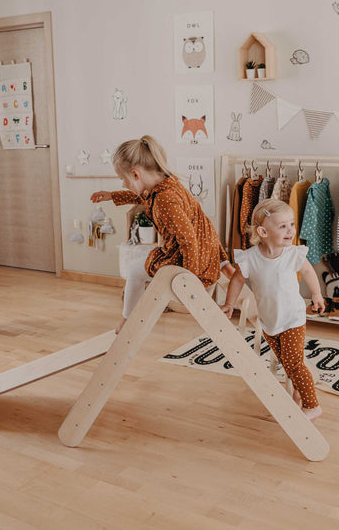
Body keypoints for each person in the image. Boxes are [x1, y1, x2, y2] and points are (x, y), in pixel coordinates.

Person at [90, 135, 234, 333]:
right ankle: (222, 265)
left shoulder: (165, 200)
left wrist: (189, 277)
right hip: (205, 245)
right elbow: (143, 197)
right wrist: (113, 195)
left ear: (135, 174)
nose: (123, 184)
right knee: (141, 268)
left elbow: (188, 239)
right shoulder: (166, 184)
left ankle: (127, 320)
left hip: (191, 256)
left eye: (123, 180)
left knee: (134, 270)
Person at [221, 198, 325, 420]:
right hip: (269, 321)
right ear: (263, 231)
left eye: (292, 224)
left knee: (294, 362)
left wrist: (316, 294)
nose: (290, 230)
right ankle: (299, 387)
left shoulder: (292, 254)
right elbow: (237, 280)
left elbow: (307, 272)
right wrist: (229, 303)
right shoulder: (251, 258)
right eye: (283, 226)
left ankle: (312, 404)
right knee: (288, 363)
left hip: (293, 318)